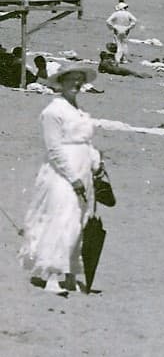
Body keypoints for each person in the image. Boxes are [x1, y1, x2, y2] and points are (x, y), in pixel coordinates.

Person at [19, 64, 104, 295]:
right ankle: (50, 276)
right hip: (61, 173)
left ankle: (70, 275)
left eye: (80, 80)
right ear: (62, 82)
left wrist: (96, 163)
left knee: (78, 223)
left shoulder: (78, 110)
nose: (77, 84)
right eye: (72, 79)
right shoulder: (53, 111)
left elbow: (86, 141)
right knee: (59, 221)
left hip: (83, 170)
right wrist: (72, 177)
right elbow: (54, 148)